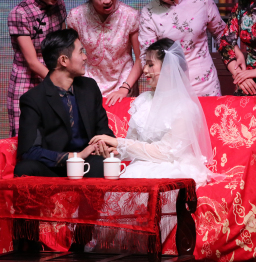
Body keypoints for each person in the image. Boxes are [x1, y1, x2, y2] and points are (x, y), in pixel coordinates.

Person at [90, 38, 221, 188]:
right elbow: (132, 144)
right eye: (146, 64)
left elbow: (166, 152)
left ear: (168, 68)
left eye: (150, 65)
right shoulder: (142, 101)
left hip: (172, 166)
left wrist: (119, 143)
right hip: (142, 164)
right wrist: (112, 150)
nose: (145, 70)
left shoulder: (185, 107)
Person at [14, 29, 116, 178]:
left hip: (86, 164)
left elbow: (103, 130)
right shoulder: (33, 99)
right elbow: (29, 151)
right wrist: (75, 156)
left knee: (101, 163)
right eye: (80, 52)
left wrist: (103, 145)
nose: (85, 57)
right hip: (52, 167)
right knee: (25, 168)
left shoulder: (89, 87)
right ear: (63, 60)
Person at [139, 0, 226, 96]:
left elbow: (222, 34)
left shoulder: (202, 0)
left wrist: (234, 65)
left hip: (205, 85)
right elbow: (146, 56)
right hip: (171, 89)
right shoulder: (149, 12)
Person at [7, 0, 68, 136]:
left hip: (54, 75)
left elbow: (62, 44)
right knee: (25, 138)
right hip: (27, 80)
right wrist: (59, 81)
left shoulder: (59, 5)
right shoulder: (20, 13)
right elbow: (32, 62)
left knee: (54, 136)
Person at [67, 0, 142, 106]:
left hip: (124, 85)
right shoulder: (76, 16)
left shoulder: (130, 16)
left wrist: (125, 88)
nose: (108, 1)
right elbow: (72, 55)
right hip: (88, 85)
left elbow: (140, 59)